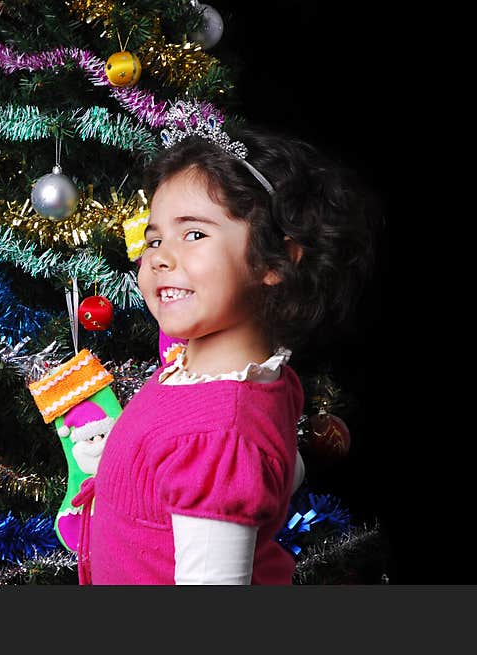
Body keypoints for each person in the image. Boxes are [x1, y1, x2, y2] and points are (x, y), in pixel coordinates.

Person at [72, 102, 376, 585]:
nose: (160, 258)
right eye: (153, 240)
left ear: (275, 263)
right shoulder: (224, 372)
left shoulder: (218, 435)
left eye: (193, 233)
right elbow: (281, 459)